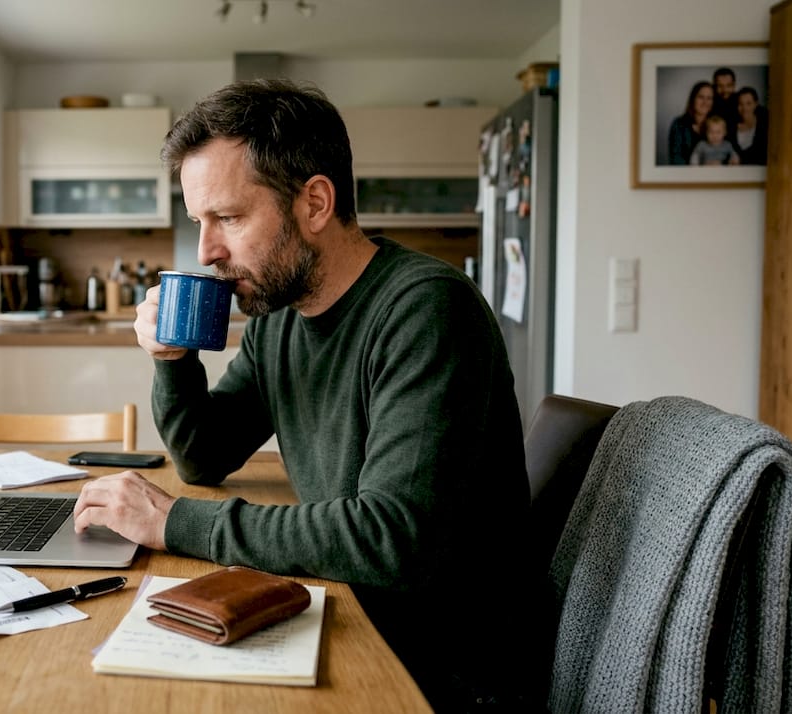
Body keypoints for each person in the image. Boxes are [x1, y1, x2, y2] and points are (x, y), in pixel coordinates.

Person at [72, 78, 532, 709]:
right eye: (200, 222)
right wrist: (172, 359)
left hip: (432, 664)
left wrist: (173, 521)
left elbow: (391, 539)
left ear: (315, 203)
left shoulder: (427, 310)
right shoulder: (280, 318)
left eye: (228, 218)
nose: (207, 251)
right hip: (344, 604)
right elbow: (205, 454)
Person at [667, 80, 714, 165]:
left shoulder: (719, 124)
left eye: (709, 98)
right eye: (701, 97)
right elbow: (676, 159)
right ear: (693, 99)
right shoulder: (679, 124)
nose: (705, 102)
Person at [734, 86, 768, 166]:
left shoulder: (765, 126)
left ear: (755, 104)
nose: (744, 108)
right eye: (740, 104)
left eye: (748, 103)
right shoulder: (731, 127)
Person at [711, 67, 740, 142]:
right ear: (714, 86)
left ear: (734, 85)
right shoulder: (709, 103)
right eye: (720, 86)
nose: (724, 90)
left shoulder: (741, 101)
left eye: (728, 85)